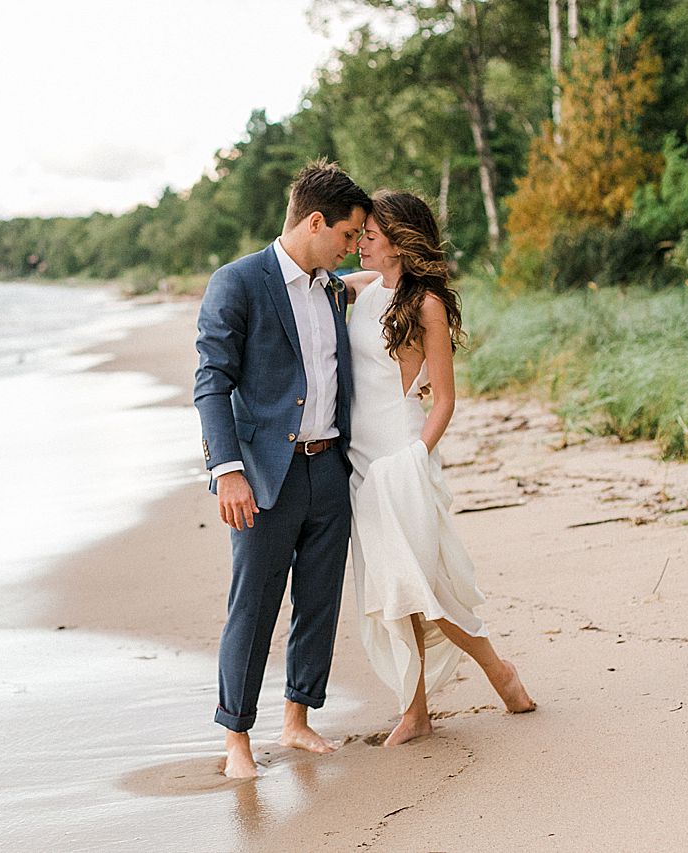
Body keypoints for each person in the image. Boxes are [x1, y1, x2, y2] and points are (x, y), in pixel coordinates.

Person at [194, 160, 371, 778]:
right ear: (315, 222)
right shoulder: (237, 282)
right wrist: (228, 470)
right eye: (348, 236)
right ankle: (236, 738)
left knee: (319, 601)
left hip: (329, 468)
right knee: (255, 604)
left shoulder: (329, 286)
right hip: (265, 474)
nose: (353, 250)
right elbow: (211, 383)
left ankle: (297, 720)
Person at [340, 190, 536, 746]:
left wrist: (415, 459)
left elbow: (444, 399)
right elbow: (309, 280)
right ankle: (416, 710)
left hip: (401, 456)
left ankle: (499, 669)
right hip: (360, 460)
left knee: (421, 585)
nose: (358, 245)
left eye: (369, 237)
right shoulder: (365, 289)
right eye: (357, 236)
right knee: (392, 590)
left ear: (399, 242)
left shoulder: (424, 303)